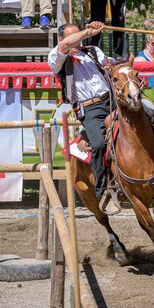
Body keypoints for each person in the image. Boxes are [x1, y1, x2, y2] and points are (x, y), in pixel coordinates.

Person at [48, 21, 112, 198]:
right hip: (90, 109)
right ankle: (102, 188)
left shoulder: (93, 51)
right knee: (99, 144)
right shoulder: (56, 56)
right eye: (72, 37)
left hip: (112, 101)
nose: (77, 42)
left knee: (152, 119)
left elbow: (112, 66)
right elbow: (65, 45)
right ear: (61, 38)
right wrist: (88, 32)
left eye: (79, 36)